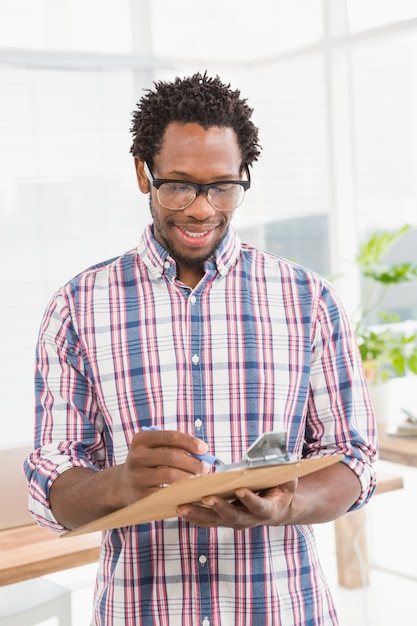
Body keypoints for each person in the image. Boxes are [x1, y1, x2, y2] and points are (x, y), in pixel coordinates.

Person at [24, 72, 378, 626]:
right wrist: (117, 483)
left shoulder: (309, 299)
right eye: (179, 185)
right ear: (143, 172)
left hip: (284, 610)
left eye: (221, 186)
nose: (200, 209)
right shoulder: (76, 307)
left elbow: (354, 460)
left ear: (244, 177)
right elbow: (52, 483)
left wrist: (288, 504)